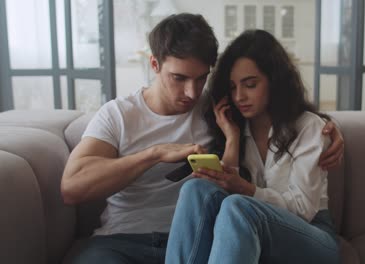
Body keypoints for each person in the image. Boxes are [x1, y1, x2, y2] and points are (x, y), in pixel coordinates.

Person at [61, 14, 343, 264]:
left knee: (211, 194)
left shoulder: (217, 110)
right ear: (155, 65)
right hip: (122, 239)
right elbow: (72, 187)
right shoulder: (118, 115)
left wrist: (329, 129)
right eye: (179, 78)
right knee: (199, 192)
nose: (192, 93)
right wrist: (154, 153)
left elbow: (286, 118)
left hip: (201, 238)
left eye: (201, 79)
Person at [165, 29, 341, 264]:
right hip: (251, 227)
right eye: (233, 87)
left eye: (250, 84)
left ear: (274, 81)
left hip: (313, 236)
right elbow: (227, 202)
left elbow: (303, 210)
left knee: (239, 206)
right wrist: (232, 139)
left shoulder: (308, 127)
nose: (239, 97)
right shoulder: (237, 128)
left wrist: (247, 189)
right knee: (195, 189)